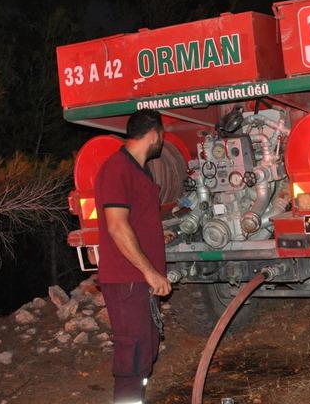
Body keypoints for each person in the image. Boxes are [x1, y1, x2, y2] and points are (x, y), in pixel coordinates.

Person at [95, 109, 172, 403]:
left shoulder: (139, 170)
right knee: (133, 354)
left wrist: (155, 237)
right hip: (128, 282)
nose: (162, 141)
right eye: (162, 135)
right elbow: (116, 226)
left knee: (145, 351)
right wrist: (150, 272)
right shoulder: (117, 168)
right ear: (153, 134)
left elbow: (134, 221)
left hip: (139, 282)